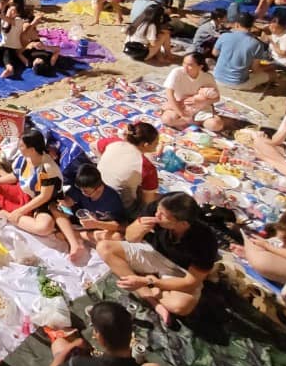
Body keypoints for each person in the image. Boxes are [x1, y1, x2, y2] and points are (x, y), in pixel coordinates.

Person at [96, 191, 217, 324]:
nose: (156, 215)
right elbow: (130, 237)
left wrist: (149, 281)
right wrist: (139, 227)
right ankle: (151, 299)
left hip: (179, 271)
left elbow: (190, 283)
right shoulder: (161, 206)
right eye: (158, 210)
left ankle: (144, 282)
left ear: (183, 224)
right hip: (153, 253)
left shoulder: (205, 240)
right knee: (104, 248)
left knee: (181, 305)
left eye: (163, 215)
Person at [0, 129, 64, 237]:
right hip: (24, 192)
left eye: (21, 146)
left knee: (44, 227)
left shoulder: (47, 168)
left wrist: (20, 211)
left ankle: (8, 215)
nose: (19, 148)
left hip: (40, 202)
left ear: (32, 150)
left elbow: (44, 196)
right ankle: (16, 216)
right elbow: (15, 176)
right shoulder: (24, 159)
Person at [58, 161, 128, 263]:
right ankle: (74, 234)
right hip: (82, 223)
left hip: (99, 228)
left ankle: (75, 235)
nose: (83, 193)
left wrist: (97, 223)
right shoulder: (82, 188)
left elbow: (122, 226)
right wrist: (65, 203)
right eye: (81, 190)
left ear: (99, 188)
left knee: (117, 237)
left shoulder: (111, 199)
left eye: (86, 191)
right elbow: (70, 199)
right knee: (55, 210)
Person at [96, 121, 161, 211]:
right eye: (156, 143)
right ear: (146, 145)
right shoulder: (146, 166)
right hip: (118, 205)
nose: (157, 146)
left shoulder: (113, 142)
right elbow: (148, 201)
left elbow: (93, 146)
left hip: (96, 188)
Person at [160, 53, 224, 131]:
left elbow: (217, 98)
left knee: (216, 125)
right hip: (179, 105)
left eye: (190, 65)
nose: (185, 67)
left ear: (200, 67)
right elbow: (170, 95)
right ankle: (193, 122)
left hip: (200, 108)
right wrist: (182, 114)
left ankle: (189, 122)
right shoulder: (177, 72)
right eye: (184, 63)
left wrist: (202, 101)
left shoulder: (207, 77)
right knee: (167, 119)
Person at [211, 13, 270, 90]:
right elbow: (255, 69)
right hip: (238, 83)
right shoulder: (256, 44)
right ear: (252, 26)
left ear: (237, 24)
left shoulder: (224, 36)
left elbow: (215, 53)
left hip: (217, 78)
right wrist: (269, 67)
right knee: (271, 74)